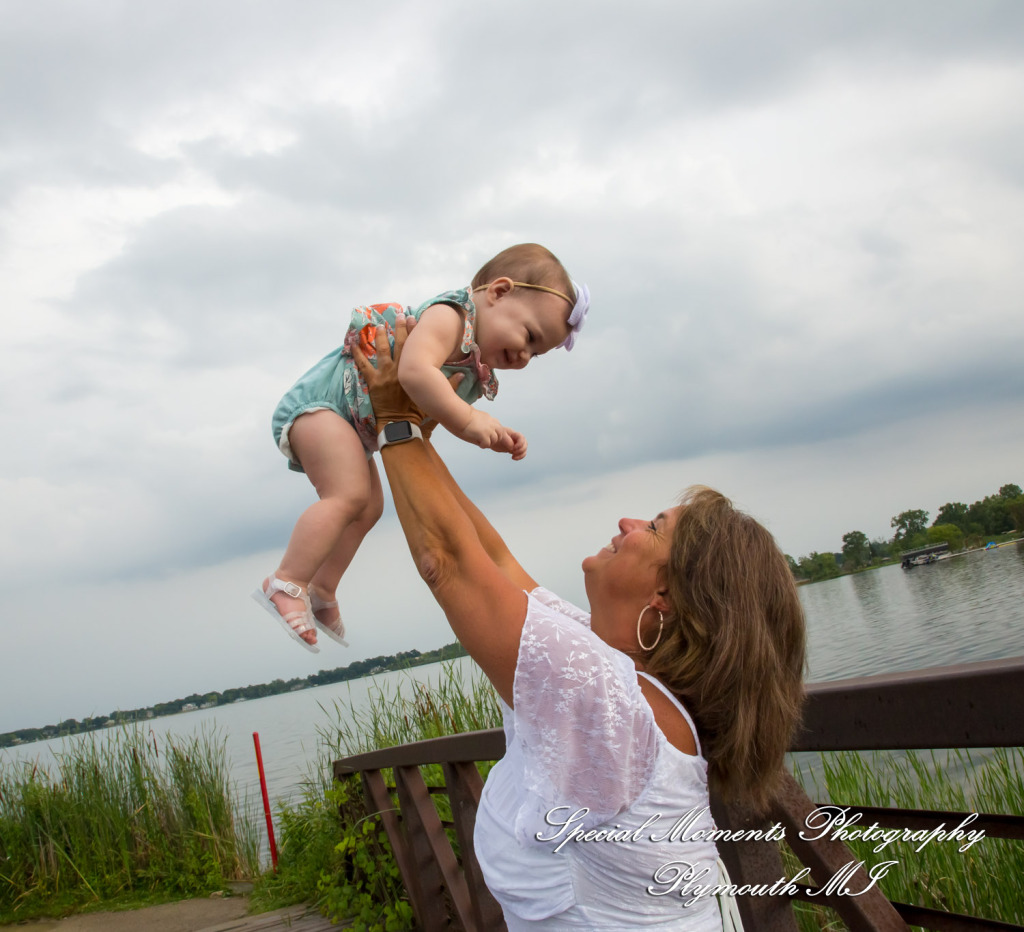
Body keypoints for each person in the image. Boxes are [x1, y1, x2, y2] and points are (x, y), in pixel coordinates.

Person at [353, 321, 807, 930]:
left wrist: (393, 420)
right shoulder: (609, 672)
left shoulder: (602, 695)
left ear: (668, 594)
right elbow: (489, 559)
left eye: (651, 526)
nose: (625, 522)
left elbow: (449, 563)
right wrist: (413, 415)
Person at [253, 244, 590, 653]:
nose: (524, 355)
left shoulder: (472, 364)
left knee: (369, 507)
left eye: (536, 354)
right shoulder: (451, 316)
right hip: (321, 408)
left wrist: (493, 431)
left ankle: (323, 588)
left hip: (350, 424)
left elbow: (424, 415)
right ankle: (287, 581)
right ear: (498, 292)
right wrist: (469, 422)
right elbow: (413, 372)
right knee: (349, 496)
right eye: (529, 336)